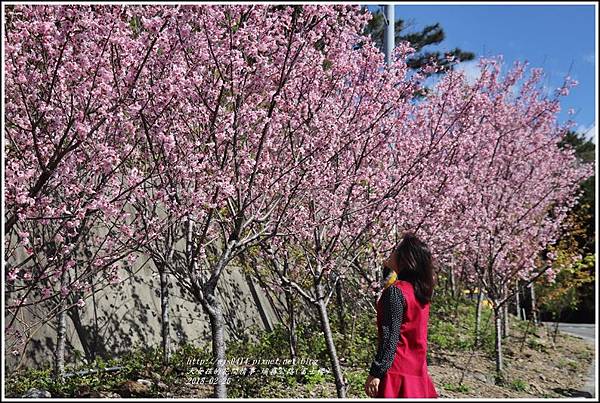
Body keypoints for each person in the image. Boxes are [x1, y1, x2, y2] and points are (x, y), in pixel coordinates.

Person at [364, 232, 438, 398]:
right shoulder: (421, 294)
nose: (392, 252)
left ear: (405, 259)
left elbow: (391, 338)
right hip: (418, 372)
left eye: (397, 250)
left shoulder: (396, 292)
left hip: (396, 373)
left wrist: (376, 372)